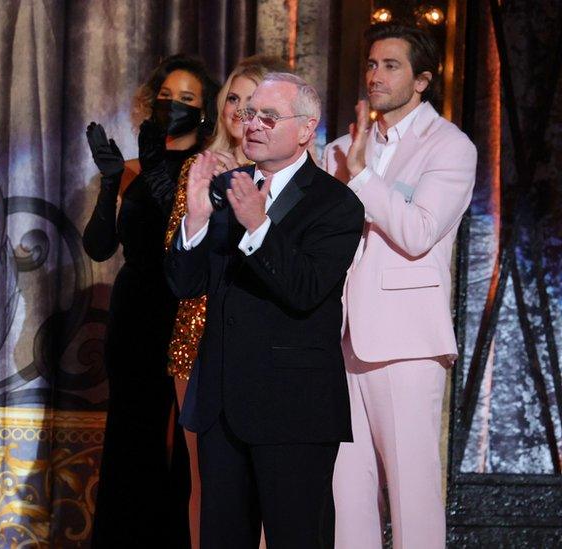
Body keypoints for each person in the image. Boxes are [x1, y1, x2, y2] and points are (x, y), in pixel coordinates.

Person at [166, 72, 364, 548]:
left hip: (293, 409)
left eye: (268, 116)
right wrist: (194, 218)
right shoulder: (226, 189)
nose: (252, 124)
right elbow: (185, 284)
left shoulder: (335, 204)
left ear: (305, 129)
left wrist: (258, 225)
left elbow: (305, 290)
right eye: (249, 113)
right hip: (221, 404)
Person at [324, 24, 476, 549]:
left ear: (422, 81)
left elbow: (417, 232)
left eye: (390, 66)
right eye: (370, 64)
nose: (375, 75)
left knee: (412, 493)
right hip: (340, 338)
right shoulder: (340, 148)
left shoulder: (450, 146)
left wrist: (362, 177)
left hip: (407, 341)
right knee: (348, 491)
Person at [82, 54, 219, 548]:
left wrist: (160, 172)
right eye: (166, 97)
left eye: (187, 99)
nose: (173, 106)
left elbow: (184, 239)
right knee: (130, 433)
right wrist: (109, 180)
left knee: (183, 442)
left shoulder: (211, 170)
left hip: (185, 310)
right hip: (135, 308)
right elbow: (99, 246)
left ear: (205, 113)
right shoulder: (134, 169)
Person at [162, 55, 291, 547]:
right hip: (196, 338)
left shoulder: (295, 177)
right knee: (207, 483)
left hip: (264, 343)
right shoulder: (202, 167)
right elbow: (179, 256)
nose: (240, 110)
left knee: (266, 482)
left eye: (252, 100)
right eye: (232, 99)